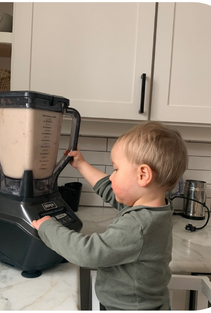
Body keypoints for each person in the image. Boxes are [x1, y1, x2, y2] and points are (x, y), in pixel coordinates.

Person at [32, 121, 188, 310]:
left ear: (143, 175)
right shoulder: (154, 209)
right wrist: (81, 165)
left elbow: (88, 253)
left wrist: (48, 227)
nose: (111, 176)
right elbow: (110, 189)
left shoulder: (138, 225)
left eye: (116, 169)